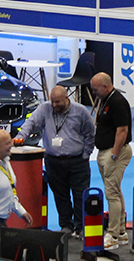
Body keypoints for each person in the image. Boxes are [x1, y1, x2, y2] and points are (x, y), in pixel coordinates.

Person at [15, 85, 95, 237]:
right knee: (60, 196)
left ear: (66, 99)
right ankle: (66, 225)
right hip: (53, 161)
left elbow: (90, 134)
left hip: (77, 161)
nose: (54, 105)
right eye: (52, 101)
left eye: (57, 102)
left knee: (80, 195)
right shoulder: (45, 109)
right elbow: (30, 123)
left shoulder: (81, 111)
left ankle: (80, 226)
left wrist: (85, 155)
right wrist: (21, 137)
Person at [90, 72, 132, 250]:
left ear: (105, 86)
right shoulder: (105, 100)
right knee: (115, 190)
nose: (94, 93)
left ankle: (113, 234)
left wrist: (114, 154)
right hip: (105, 151)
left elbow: (122, 130)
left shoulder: (117, 102)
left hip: (115, 153)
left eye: (95, 89)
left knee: (111, 194)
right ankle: (121, 231)